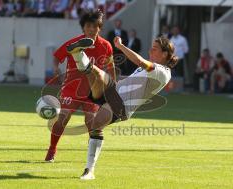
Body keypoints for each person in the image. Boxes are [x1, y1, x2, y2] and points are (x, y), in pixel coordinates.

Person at [66, 36, 178, 179]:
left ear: (164, 54)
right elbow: (134, 78)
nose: (150, 50)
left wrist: (120, 46)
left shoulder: (162, 72)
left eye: (154, 48)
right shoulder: (148, 69)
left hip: (122, 106)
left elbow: (139, 61)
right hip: (114, 93)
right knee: (97, 75)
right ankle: (77, 53)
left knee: (95, 125)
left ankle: (89, 171)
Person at [45, 10, 116, 163]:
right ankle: (52, 150)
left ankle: (91, 158)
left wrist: (113, 86)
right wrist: (56, 68)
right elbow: (57, 56)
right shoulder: (74, 43)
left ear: (100, 28)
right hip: (72, 88)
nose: (91, 29)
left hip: (93, 89)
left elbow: (111, 67)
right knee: (63, 117)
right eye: (88, 26)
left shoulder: (106, 46)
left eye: (95, 26)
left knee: (91, 122)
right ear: (83, 27)